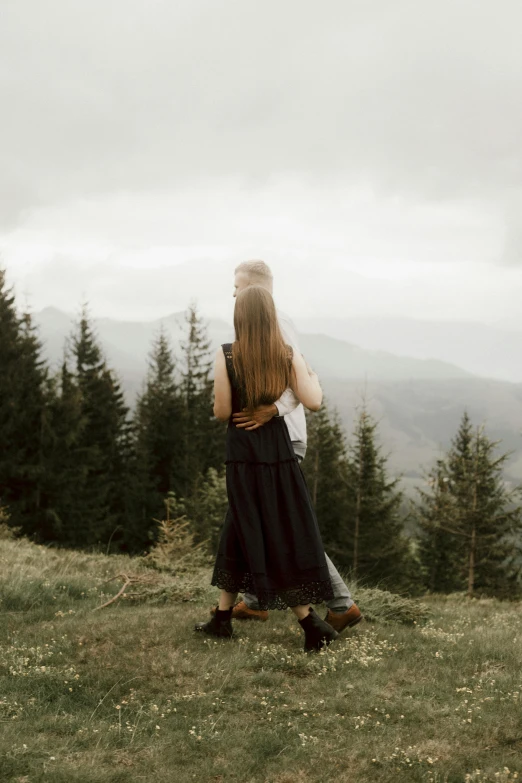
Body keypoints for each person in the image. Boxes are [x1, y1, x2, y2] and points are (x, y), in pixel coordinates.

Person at [210, 260, 362, 634]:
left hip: (278, 437)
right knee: (254, 519)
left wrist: (272, 409)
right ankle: (252, 604)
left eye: (237, 287)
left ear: (253, 290)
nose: (232, 293)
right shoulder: (271, 329)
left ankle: (337, 607)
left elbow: (303, 384)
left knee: (282, 523)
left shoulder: (274, 328)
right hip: (269, 436)